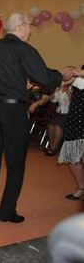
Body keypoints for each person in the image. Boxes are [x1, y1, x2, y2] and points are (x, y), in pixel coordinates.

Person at [0, 11, 73, 223]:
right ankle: (6, 212)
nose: (30, 30)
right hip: (13, 112)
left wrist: (22, 82)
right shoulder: (24, 49)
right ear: (21, 26)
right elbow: (45, 77)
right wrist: (63, 76)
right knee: (15, 164)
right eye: (29, 26)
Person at [58, 66, 84, 200]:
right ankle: (81, 188)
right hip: (76, 122)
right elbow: (62, 80)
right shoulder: (77, 79)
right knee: (73, 158)